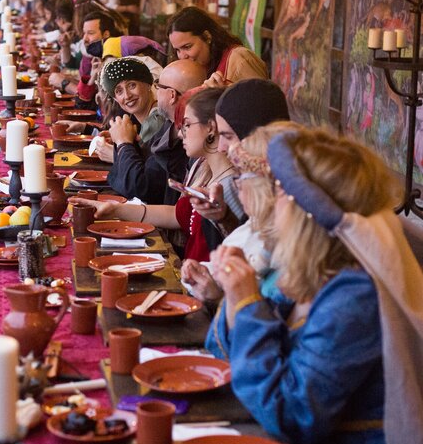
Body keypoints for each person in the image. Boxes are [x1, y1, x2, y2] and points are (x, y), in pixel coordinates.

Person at [206, 128, 414, 444]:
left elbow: (289, 416)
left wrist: (247, 305)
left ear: (305, 211)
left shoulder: (355, 296)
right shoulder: (311, 271)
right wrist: (235, 297)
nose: (273, 201)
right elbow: (222, 357)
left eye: (280, 190)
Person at [73, 86, 242, 261]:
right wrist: (115, 210)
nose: (180, 133)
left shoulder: (230, 186)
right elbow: (175, 215)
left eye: (187, 125)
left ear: (211, 128)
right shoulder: (203, 166)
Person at [182, 121, 301, 304]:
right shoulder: (256, 225)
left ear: (268, 188)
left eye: (242, 176)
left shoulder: (288, 263)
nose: (238, 184)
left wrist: (219, 298)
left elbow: (264, 325)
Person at [188, 78, 290, 252]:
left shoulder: (289, 193)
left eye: (228, 136)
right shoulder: (256, 182)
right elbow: (249, 249)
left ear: (252, 132)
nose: (221, 147)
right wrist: (224, 217)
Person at [107, 58, 206, 205]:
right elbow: (121, 175)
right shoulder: (170, 126)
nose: (127, 96)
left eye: (158, 86)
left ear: (172, 95)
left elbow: (141, 187)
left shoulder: (180, 135)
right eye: (119, 91)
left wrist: (123, 143)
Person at [167, 6, 268, 87]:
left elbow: (264, 104)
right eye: (177, 50)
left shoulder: (239, 58)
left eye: (187, 47)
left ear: (207, 37)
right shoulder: (201, 68)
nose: (182, 56)